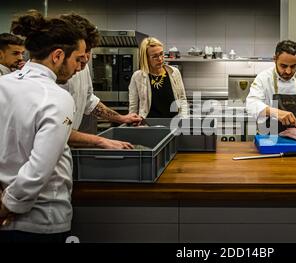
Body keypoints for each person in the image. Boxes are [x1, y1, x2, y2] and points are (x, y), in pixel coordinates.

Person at [0, 10, 85, 242]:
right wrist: (6, 207)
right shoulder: (56, 97)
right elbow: (39, 169)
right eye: (77, 59)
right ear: (57, 56)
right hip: (40, 220)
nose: (79, 67)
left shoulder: (3, 84)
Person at [59, 13, 141, 149]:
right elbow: (57, 131)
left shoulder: (82, 69)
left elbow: (90, 101)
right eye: (82, 52)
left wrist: (121, 118)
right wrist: (100, 141)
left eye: (89, 51)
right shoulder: (44, 83)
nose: (85, 59)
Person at [246, 40, 296, 133]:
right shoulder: (263, 78)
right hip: (268, 136)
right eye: (283, 66)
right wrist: (276, 113)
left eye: (293, 66)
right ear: (275, 59)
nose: (288, 71)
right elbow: (252, 104)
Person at [128, 37, 188, 119]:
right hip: (148, 126)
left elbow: (182, 99)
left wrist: (183, 119)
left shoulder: (174, 72)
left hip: (173, 125)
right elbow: (133, 107)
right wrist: (134, 123)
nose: (160, 59)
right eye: (154, 56)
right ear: (146, 58)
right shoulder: (138, 77)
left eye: (161, 54)